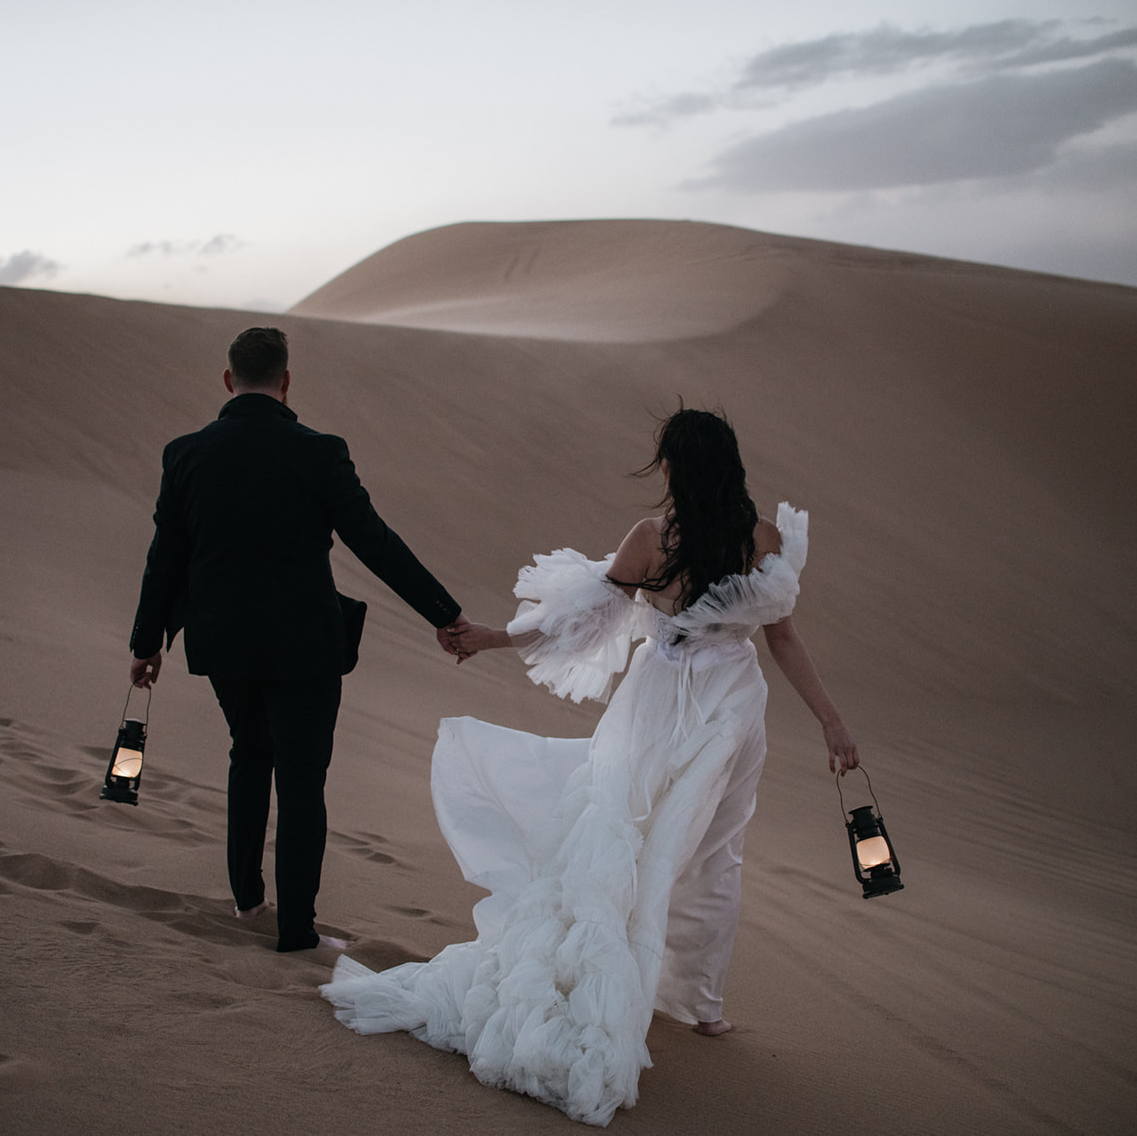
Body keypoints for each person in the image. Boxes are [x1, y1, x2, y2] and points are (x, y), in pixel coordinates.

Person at [320, 407, 859, 1125]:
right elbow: (784, 639)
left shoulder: (651, 541)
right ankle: (698, 1007)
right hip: (729, 705)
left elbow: (577, 620)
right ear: (729, 465)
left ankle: (664, 992)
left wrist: (488, 638)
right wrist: (831, 721)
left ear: (673, 468)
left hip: (659, 700)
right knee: (709, 853)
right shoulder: (760, 540)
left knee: (631, 839)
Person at [127, 326, 467, 953]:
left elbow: (163, 559)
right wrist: (443, 614)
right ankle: (296, 932)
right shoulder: (320, 451)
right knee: (302, 780)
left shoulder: (186, 454)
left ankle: (247, 900)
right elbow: (374, 541)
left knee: (248, 756)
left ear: (229, 381)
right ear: (286, 382)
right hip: (305, 647)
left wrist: (146, 644)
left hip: (223, 643)